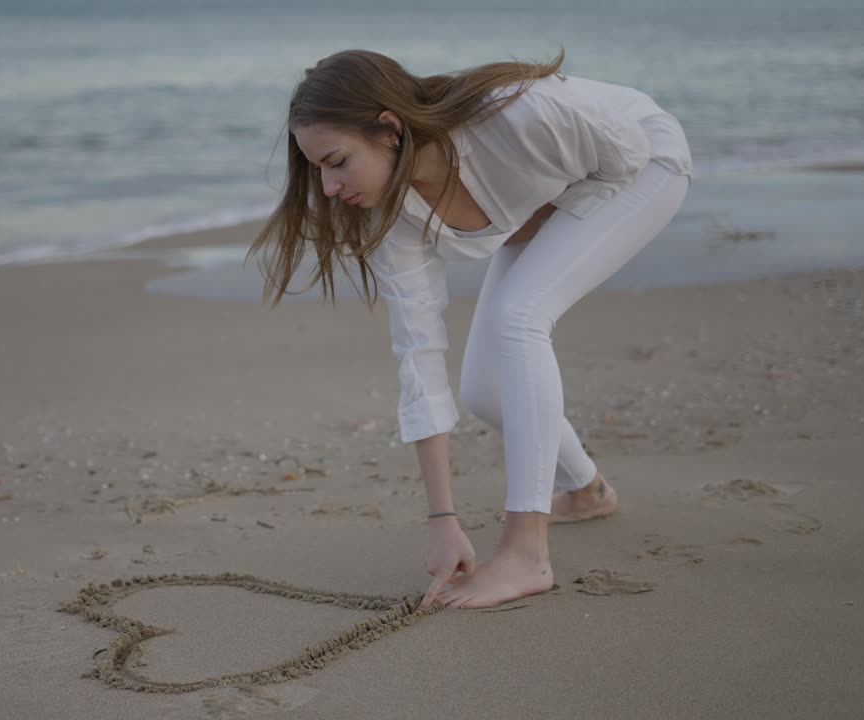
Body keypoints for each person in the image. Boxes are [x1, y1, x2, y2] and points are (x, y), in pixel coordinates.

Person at [247, 48, 692, 610]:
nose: (329, 187)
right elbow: (420, 358)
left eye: (336, 161)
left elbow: (626, 151)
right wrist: (443, 520)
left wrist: (545, 206)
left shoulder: (519, 114)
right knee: (485, 391)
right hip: (562, 189)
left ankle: (527, 553)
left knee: (521, 319)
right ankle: (586, 490)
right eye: (318, 170)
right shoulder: (391, 218)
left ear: (389, 128)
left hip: (644, 161)